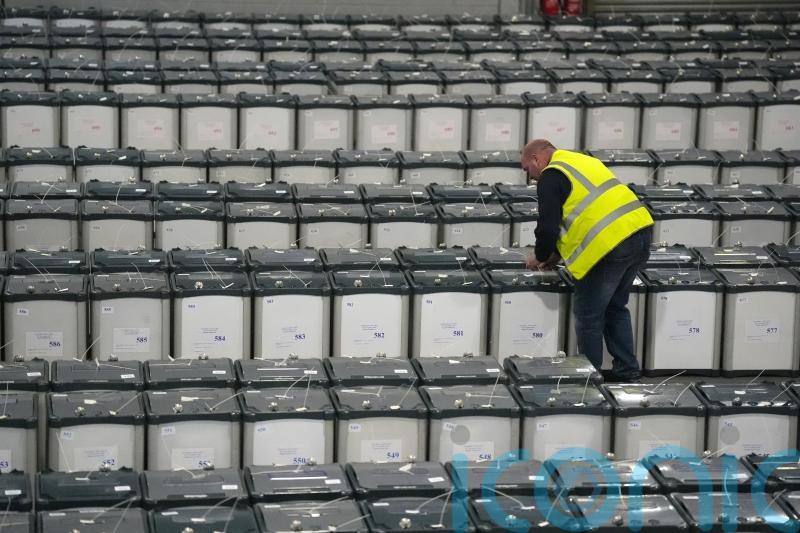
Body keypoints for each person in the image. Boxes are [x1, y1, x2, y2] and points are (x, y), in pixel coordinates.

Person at [521, 139, 653, 382]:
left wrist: (539, 256)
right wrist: (556, 255)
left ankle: (589, 379)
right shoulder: (582, 161)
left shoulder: (551, 175)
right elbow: (585, 211)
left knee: (589, 314)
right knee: (615, 307)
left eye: (527, 169)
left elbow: (548, 226)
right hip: (640, 231)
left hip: (609, 245)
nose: (530, 177)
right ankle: (628, 371)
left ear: (536, 159)